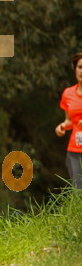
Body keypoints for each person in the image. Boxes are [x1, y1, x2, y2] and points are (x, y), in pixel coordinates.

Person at [55, 52, 82, 189]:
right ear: (75, 69)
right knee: (78, 190)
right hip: (75, 150)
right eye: (80, 67)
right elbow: (70, 121)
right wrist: (62, 127)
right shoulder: (68, 94)